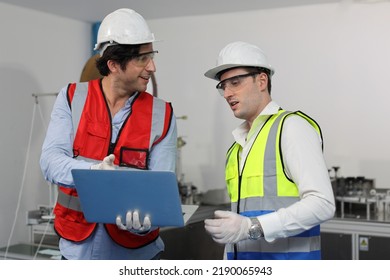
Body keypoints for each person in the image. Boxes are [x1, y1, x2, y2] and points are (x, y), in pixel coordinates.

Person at [40, 8, 177, 260]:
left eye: (152, 56)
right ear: (114, 64)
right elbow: (49, 162)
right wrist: (92, 173)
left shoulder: (163, 114)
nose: (152, 67)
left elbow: (161, 189)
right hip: (75, 251)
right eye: (143, 59)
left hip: (137, 256)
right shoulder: (71, 98)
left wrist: (145, 222)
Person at [203, 41, 335, 260]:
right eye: (222, 86)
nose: (227, 93)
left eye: (234, 82)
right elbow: (239, 225)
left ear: (262, 81)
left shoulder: (291, 127)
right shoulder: (236, 148)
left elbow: (323, 204)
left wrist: (252, 227)